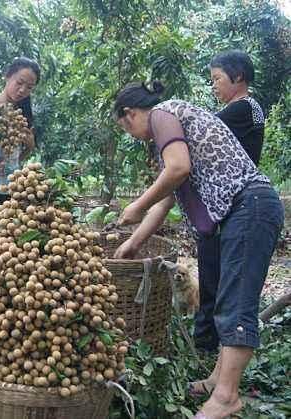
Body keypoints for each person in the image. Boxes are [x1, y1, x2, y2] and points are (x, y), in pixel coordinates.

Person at [111, 81, 283, 419]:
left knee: (236, 301)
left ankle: (226, 397)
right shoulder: (175, 128)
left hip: (250, 206)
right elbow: (165, 200)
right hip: (243, 210)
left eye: (126, 128)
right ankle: (218, 379)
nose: (134, 136)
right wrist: (131, 243)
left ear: (130, 114)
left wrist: (135, 205)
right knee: (224, 298)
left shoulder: (163, 114)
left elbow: (177, 170)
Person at [195, 51, 266, 354]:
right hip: (226, 202)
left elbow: (201, 131)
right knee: (215, 271)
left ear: (238, 77)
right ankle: (208, 341)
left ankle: (207, 343)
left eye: (217, 79)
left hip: (232, 202)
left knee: (216, 275)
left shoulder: (244, 108)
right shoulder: (245, 109)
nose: (214, 86)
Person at [0, 57, 40, 205]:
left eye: (29, 87)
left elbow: (17, 156)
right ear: (8, 76)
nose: (23, 90)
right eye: (19, 82)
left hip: (12, 188)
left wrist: (30, 145)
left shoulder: (22, 113)